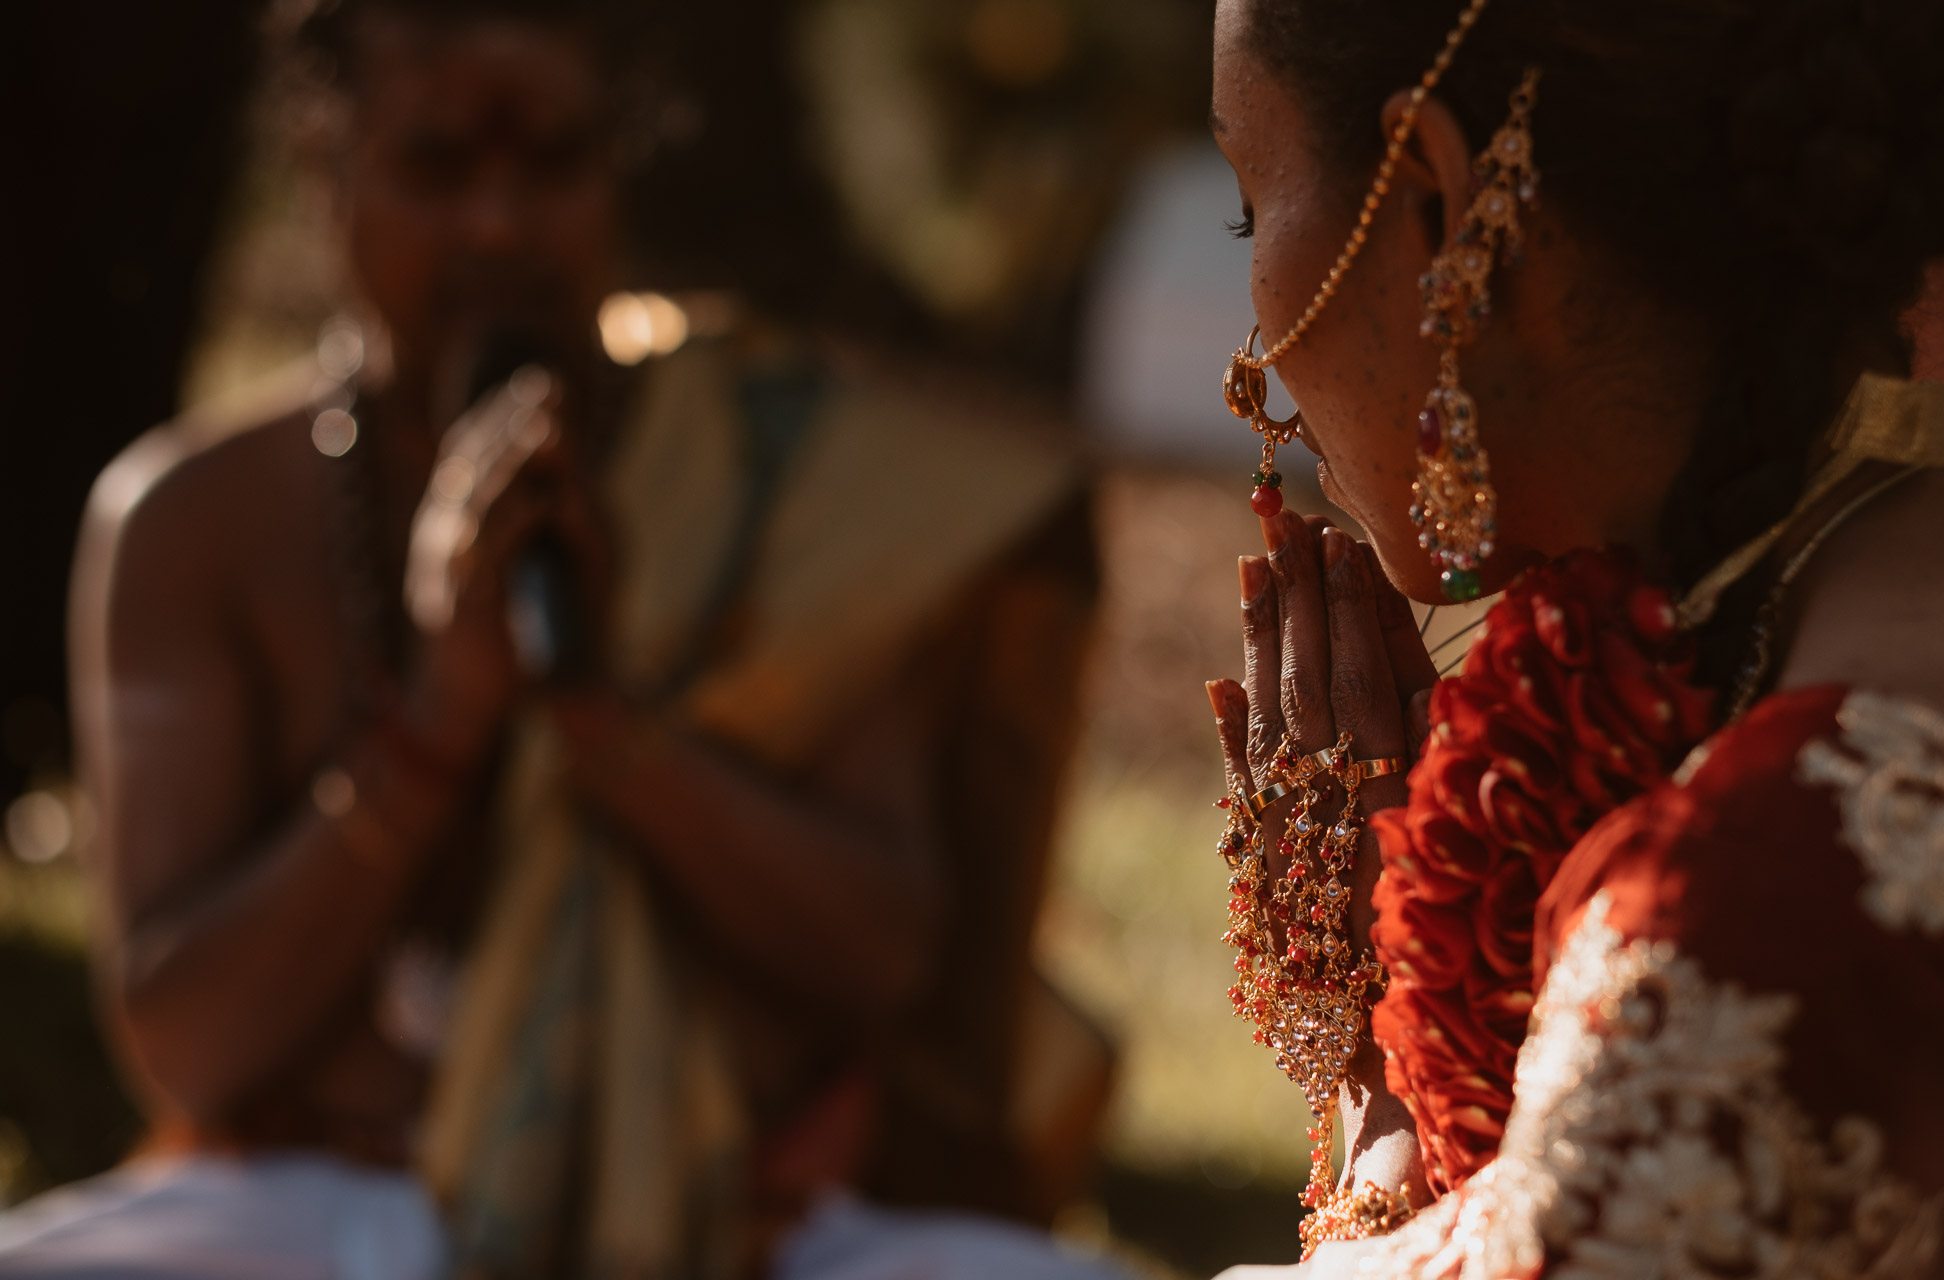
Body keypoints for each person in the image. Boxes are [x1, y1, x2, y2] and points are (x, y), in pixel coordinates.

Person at [0, 1, 1120, 1276]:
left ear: (618, 158)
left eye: (552, 161)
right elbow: (186, 1046)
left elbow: (885, 955)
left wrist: (603, 719)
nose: (498, 222)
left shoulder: (775, 483)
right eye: (436, 164)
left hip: (733, 1219)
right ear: (323, 159)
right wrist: (436, 723)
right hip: (328, 1205)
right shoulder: (192, 518)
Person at [1189, 0, 1944, 1275]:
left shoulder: (1763, 893)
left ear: (1436, 201)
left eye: (1251, 214)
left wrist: (1381, 1113)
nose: (1251, 354)